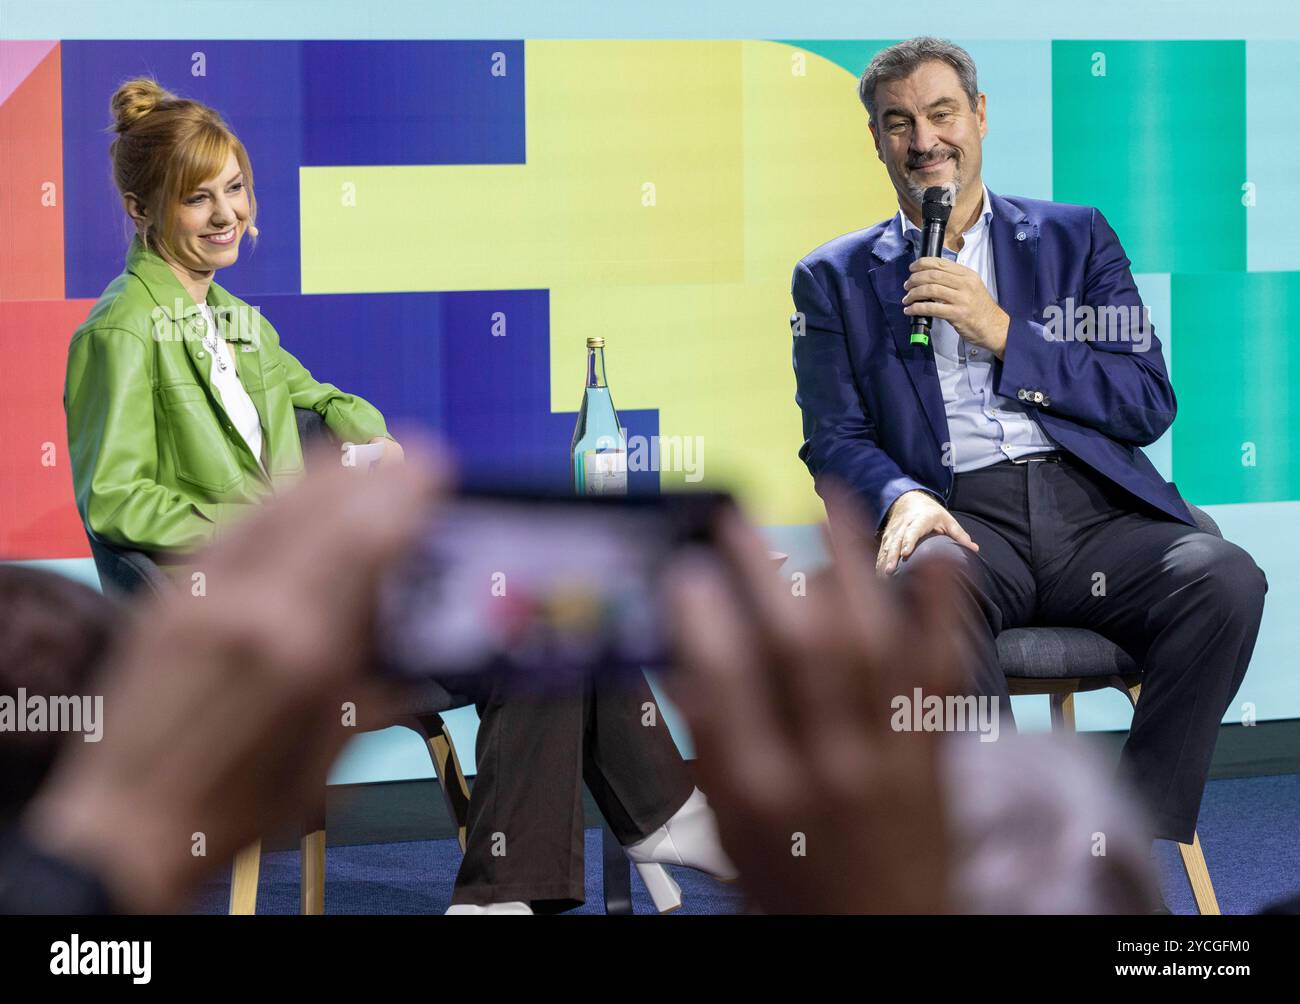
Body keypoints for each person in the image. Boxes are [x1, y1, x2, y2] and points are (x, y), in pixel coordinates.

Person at [789, 37, 1267, 847]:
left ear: (979, 117)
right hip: (958, 518)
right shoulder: (831, 278)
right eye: (899, 123)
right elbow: (834, 438)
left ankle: (1120, 843)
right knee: (927, 593)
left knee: (1225, 580)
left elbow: (1147, 400)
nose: (925, 141)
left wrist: (1005, 332)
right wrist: (900, 497)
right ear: (876, 141)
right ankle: (1006, 853)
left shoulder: (1074, 240)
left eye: (942, 114)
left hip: (1093, 515)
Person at [64, 77, 405, 580]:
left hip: (284, 574)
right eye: (197, 198)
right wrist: (255, 527)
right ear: (140, 210)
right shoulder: (119, 332)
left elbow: (320, 400)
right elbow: (117, 501)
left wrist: (377, 443)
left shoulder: (235, 318)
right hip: (213, 596)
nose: (227, 215)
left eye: (235, 187)